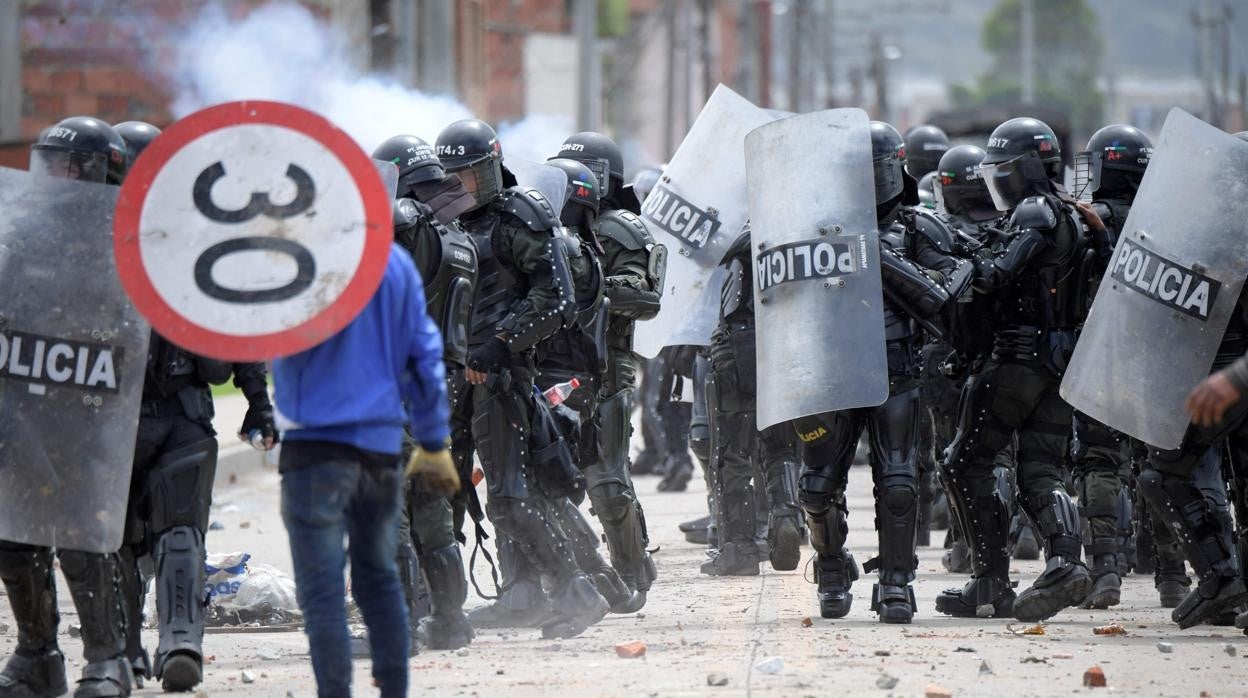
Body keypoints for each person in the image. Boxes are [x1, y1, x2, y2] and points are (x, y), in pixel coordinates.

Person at [437, 119, 610, 638]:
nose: (458, 187)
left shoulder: (520, 216)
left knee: (512, 501)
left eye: (466, 176)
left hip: (501, 377)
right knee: (439, 495)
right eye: (450, 178)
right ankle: (436, 609)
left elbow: (555, 299)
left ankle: (578, 592)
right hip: (455, 377)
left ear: (488, 169)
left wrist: (499, 344)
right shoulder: (447, 225)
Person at [792, 121, 971, 624]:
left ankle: (896, 582)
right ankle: (831, 567)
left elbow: (944, 294)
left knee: (898, 484)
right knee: (815, 487)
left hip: (897, 372)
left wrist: (874, 251)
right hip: (831, 371)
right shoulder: (816, 224)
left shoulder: (919, 228)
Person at [273, 239, 453, 698]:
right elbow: (425, 355)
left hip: (312, 448)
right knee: (379, 577)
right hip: (379, 445)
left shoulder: (291, 258)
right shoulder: (393, 263)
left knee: (321, 591)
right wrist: (433, 440)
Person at [937, 117, 1098, 622]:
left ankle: (989, 582)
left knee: (965, 460)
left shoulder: (1035, 211)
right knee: (1040, 468)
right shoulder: (1075, 215)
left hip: (1016, 359)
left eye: (1001, 170)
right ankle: (1065, 563)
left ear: (1023, 169)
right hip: (1061, 364)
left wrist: (954, 254)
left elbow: (992, 276)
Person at [0, 116, 136, 698]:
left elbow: (139, 329)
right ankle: (37, 655)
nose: (51, 175)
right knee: (14, 535)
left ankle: (108, 659)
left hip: (92, 406)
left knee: (84, 532)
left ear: (98, 169)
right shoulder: (24, 233)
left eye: (65, 164)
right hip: (26, 405)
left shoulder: (126, 242)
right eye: (47, 162)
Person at [373, 134, 477, 651]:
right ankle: (451, 621)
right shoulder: (458, 236)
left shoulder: (403, 221)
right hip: (438, 388)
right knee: (433, 511)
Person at [550, 133, 664, 600]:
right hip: (551, 366)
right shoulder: (545, 225)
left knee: (606, 477)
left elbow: (644, 296)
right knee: (549, 477)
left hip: (607, 365)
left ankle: (631, 571)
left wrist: (588, 282)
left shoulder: (621, 229)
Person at [1067, 124, 1152, 609]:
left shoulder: (1084, 221)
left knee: (1100, 461)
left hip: (1100, 354)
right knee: (1160, 464)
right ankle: (1173, 578)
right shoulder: (1170, 223)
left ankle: (1105, 572)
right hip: (1160, 359)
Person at [700, 225, 804, 576]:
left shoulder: (755, 231)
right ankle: (788, 516)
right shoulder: (803, 229)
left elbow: (712, 250)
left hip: (740, 347)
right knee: (781, 445)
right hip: (789, 344)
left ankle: (740, 549)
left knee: (732, 455)